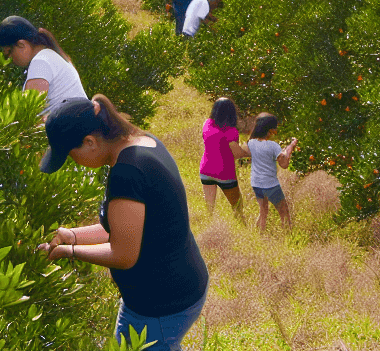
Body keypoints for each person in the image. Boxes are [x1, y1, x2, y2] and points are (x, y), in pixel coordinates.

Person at [37, 96, 208, 351]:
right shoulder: (141, 143)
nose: (75, 162)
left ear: (90, 142)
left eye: (73, 155)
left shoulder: (128, 171)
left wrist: (68, 252)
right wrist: (70, 235)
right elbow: (123, 230)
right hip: (173, 289)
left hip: (160, 305)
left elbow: (124, 253)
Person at [0, 15, 87, 117]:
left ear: (22, 44)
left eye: (9, 53)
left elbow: (28, 116)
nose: (10, 59)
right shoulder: (50, 56)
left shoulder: (40, 62)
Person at [248, 112, 298, 233]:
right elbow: (284, 164)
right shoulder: (272, 146)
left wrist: (283, 151)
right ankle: (287, 238)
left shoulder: (251, 143)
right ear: (270, 130)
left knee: (263, 212)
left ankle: (258, 236)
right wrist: (291, 146)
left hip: (256, 184)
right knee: (284, 214)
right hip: (270, 185)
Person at [200, 98, 249, 219]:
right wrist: (248, 152)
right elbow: (237, 154)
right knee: (238, 207)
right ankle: (242, 229)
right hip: (224, 173)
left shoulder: (207, 124)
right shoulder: (231, 131)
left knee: (209, 209)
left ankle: (209, 227)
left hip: (206, 170)